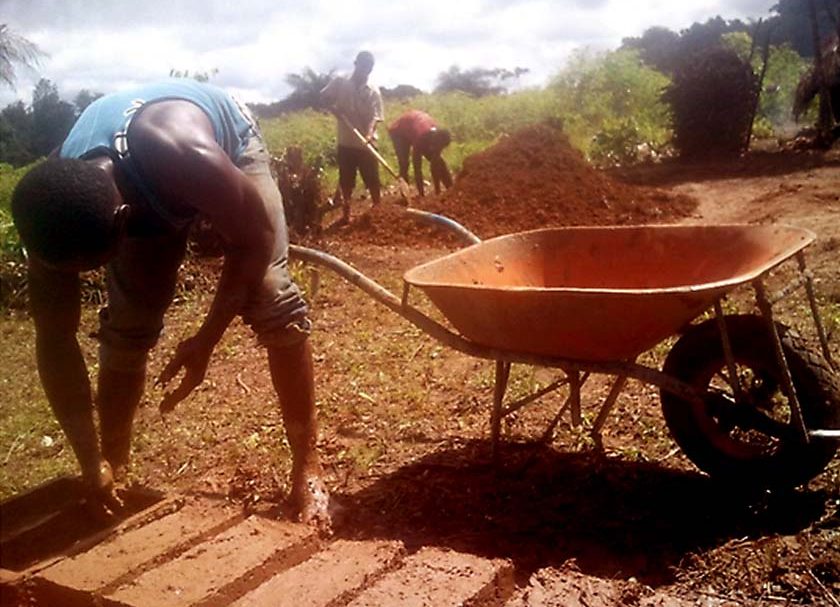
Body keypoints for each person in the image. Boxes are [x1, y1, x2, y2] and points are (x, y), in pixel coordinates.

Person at [11, 79, 330, 529]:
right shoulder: (53, 208)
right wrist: (90, 459)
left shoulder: (186, 155)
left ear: (126, 220)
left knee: (273, 295)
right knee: (127, 324)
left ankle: (308, 467)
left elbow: (253, 239)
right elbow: (55, 339)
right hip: (143, 178)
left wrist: (205, 341)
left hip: (223, 143)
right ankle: (114, 466)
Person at [320, 51, 384, 223]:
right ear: (356, 64)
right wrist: (334, 110)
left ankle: (378, 211)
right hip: (346, 142)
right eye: (364, 67)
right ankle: (346, 215)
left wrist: (369, 134)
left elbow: (375, 117)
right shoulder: (340, 82)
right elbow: (324, 97)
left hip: (367, 144)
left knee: (373, 180)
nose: (366, 72)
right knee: (346, 180)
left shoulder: (373, 91)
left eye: (369, 69)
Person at [388, 109, 453, 197]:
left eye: (441, 148)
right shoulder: (421, 138)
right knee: (404, 163)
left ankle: (451, 188)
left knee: (440, 162)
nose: (439, 149)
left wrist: (438, 191)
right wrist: (422, 195)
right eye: (438, 147)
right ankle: (406, 195)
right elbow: (417, 168)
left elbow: (435, 164)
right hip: (398, 131)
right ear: (434, 142)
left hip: (413, 126)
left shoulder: (437, 136)